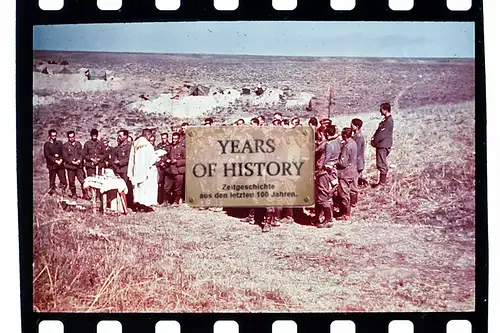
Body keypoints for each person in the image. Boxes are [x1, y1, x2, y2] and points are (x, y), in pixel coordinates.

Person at [127, 128, 159, 212]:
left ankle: (137, 205)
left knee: (138, 189)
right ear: (148, 135)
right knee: (145, 189)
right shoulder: (148, 145)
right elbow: (151, 159)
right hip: (146, 171)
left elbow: (131, 158)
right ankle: (144, 207)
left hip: (137, 170)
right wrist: (157, 157)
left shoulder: (135, 143)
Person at [336, 128, 358, 220]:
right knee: (351, 190)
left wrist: (335, 160)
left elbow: (343, 163)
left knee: (344, 194)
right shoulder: (353, 143)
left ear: (344, 135)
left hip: (345, 173)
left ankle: (346, 213)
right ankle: (350, 207)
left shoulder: (347, 146)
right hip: (353, 171)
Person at [371, 102, 394, 187]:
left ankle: (382, 183)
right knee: (381, 163)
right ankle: (381, 182)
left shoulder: (388, 122)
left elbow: (381, 135)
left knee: (381, 164)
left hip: (383, 145)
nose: (380, 111)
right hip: (382, 145)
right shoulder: (386, 120)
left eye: (381, 109)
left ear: (385, 110)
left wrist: (374, 141)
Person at [113, 129, 134, 210]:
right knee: (120, 188)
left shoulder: (129, 147)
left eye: (121, 136)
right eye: (118, 135)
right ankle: (122, 204)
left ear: (125, 136)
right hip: (119, 170)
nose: (119, 137)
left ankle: (129, 204)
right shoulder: (119, 146)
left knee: (127, 187)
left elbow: (129, 158)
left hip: (125, 170)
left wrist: (120, 162)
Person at [164, 132, 186, 206]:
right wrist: (167, 160)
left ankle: (176, 202)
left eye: (176, 138)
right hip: (170, 170)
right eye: (173, 138)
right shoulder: (169, 147)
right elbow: (165, 155)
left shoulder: (182, 148)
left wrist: (177, 161)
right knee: (166, 187)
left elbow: (186, 160)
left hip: (178, 170)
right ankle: (165, 201)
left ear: (179, 139)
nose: (174, 140)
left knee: (178, 188)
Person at [63, 131, 86, 199]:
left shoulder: (78, 144)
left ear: (74, 137)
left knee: (83, 181)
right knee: (71, 182)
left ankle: (85, 194)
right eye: (70, 137)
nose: (71, 138)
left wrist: (79, 160)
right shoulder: (65, 146)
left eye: (73, 137)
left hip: (79, 166)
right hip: (70, 167)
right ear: (68, 137)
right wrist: (72, 162)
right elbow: (65, 157)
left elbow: (81, 154)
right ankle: (74, 194)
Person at [43, 129, 67, 195]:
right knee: (52, 181)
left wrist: (61, 160)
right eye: (52, 136)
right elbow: (47, 155)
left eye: (55, 135)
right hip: (52, 165)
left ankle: (62, 192)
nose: (54, 137)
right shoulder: (47, 145)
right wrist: (55, 160)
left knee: (64, 181)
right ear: (49, 136)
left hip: (60, 165)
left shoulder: (59, 143)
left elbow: (63, 153)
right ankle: (52, 193)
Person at [314, 162, 336, 228]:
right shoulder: (325, 174)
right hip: (320, 173)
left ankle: (328, 220)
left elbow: (335, 183)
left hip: (321, 174)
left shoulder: (325, 174)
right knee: (320, 201)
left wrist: (330, 191)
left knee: (323, 200)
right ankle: (326, 219)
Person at [351, 118, 368, 190]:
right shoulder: (356, 135)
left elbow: (356, 151)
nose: (351, 126)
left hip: (357, 162)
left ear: (357, 126)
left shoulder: (358, 137)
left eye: (352, 125)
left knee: (354, 180)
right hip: (357, 161)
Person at [156, 133, 170, 205]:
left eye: (165, 138)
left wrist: (165, 163)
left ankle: (166, 200)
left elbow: (170, 157)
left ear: (167, 138)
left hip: (166, 168)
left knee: (166, 185)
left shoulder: (169, 146)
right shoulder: (159, 146)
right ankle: (160, 199)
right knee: (159, 184)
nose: (163, 140)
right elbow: (156, 155)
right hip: (160, 168)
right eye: (162, 138)